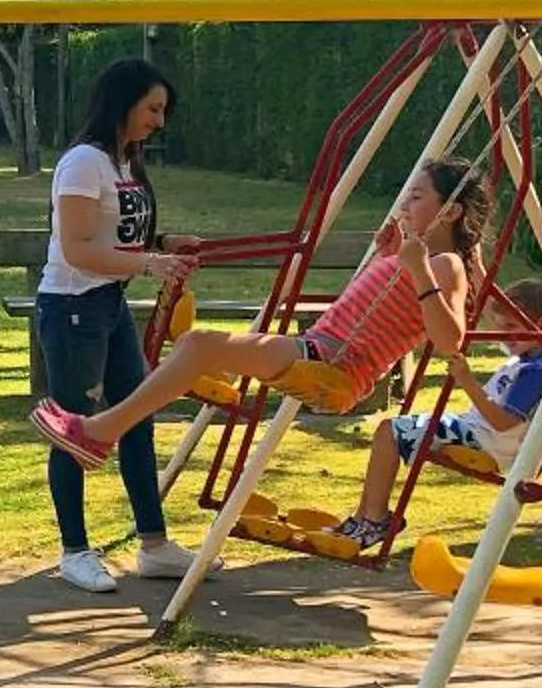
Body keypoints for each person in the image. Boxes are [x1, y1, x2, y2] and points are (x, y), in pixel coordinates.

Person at [34, 157, 494, 472]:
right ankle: (188, 380)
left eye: (416, 197)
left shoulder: (443, 264)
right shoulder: (412, 258)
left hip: (333, 365)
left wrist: (414, 267)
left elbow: (450, 341)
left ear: (448, 211)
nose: (404, 204)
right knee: (197, 349)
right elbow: (374, 311)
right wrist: (389, 257)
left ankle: (99, 433)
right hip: (320, 350)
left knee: (196, 344)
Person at [34, 57, 205, 593]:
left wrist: (160, 245)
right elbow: (79, 248)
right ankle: (74, 551)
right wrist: (149, 265)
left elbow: (114, 236)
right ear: (123, 102)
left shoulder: (124, 163)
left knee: (137, 415)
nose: (159, 121)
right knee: (73, 429)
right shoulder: (83, 163)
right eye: (153, 108)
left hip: (107, 305)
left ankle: (153, 545)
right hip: (73, 309)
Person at [327, 277, 542, 553]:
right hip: (478, 432)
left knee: (390, 431)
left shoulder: (538, 372)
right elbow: (490, 306)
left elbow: (502, 422)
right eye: (500, 327)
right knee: (388, 431)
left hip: (488, 441)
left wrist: (467, 381)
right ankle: (362, 519)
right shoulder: (526, 359)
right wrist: (476, 268)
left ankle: (374, 521)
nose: (502, 335)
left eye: (511, 328)